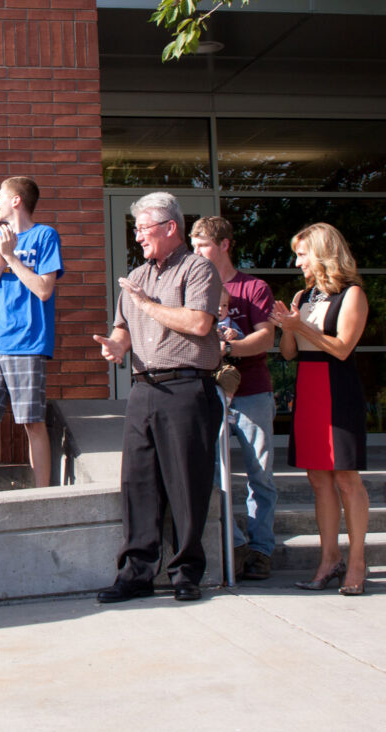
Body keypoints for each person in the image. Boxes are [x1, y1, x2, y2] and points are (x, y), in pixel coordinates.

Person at [92, 192, 222, 603]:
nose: (138, 237)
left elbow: (200, 323)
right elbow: (123, 327)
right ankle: (136, 573)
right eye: (135, 230)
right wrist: (115, 345)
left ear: (170, 228)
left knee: (186, 484)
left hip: (187, 389)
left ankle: (185, 573)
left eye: (144, 229)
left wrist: (146, 304)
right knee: (138, 483)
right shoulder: (137, 276)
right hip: (143, 390)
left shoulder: (198, 269)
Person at [271, 223, 369, 596]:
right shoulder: (303, 295)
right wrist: (288, 328)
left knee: (346, 478)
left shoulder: (352, 295)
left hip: (338, 388)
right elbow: (289, 354)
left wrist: (302, 326)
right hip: (308, 389)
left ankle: (357, 560)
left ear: (323, 253)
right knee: (318, 480)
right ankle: (329, 559)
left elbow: (343, 348)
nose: (298, 262)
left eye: (302, 254)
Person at [0, 177, 63, 493]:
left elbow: (44, 290)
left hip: (28, 344)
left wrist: (11, 258)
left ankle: (41, 493)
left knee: (32, 422)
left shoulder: (45, 235)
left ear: (16, 200)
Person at [191, 217, 277, 580]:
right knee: (211, 472)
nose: (196, 253)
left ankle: (261, 550)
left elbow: (266, 338)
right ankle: (237, 543)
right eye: (193, 247)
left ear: (224, 245)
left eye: (203, 246)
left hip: (253, 391)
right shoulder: (195, 286)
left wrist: (230, 346)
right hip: (210, 392)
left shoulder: (253, 287)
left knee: (260, 474)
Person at [212, 287, 242, 399]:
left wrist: (234, 333)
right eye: (216, 304)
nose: (220, 309)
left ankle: (226, 403)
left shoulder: (230, 323)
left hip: (225, 363)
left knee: (230, 374)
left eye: (224, 305)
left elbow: (242, 338)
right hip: (205, 365)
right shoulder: (206, 321)